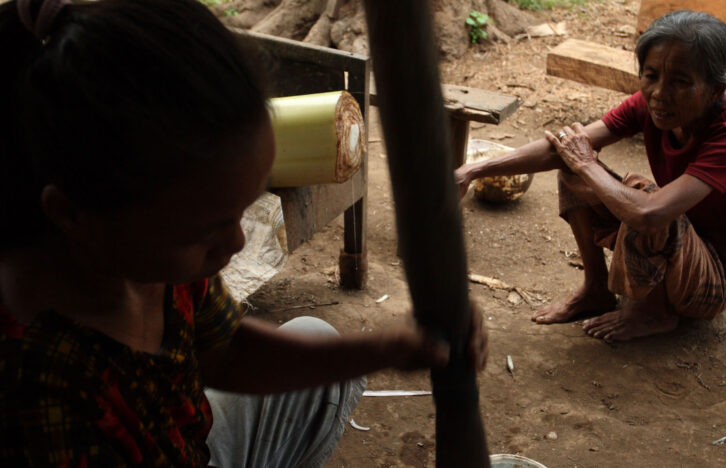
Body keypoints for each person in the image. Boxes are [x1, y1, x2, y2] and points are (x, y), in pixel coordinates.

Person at [0, 0, 487, 466]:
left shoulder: (151, 259)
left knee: (319, 346)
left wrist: (385, 349)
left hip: (189, 445)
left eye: (241, 211)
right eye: (206, 230)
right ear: (73, 215)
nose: (236, 243)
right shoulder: (41, 392)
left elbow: (226, 352)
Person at [455, 10, 726, 341]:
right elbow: (563, 148)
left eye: (681, 82)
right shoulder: (652, 105)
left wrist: (586, 163)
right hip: (679, 245)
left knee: (638, 195)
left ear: (715, 89)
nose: (660, 93)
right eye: (651, 76)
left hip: (714, 278)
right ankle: (595, 289)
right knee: (574, 169)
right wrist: (471, 171)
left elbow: (650, 214)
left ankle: (655, 313)